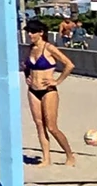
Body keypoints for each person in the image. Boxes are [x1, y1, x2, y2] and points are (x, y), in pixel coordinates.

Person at [22, 18, 76, 167]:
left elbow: (69, 65)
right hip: (33, 90)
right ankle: (46, 158)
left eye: (33, 32)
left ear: (41, 33)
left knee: (52, 127)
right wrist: (27, 76)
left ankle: (69, 155)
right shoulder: (30, 49)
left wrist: (57, 81)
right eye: (28, 32)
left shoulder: (49, 48)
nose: (30, 35)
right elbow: (26, 66)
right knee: (39, 125)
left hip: (48, 90)